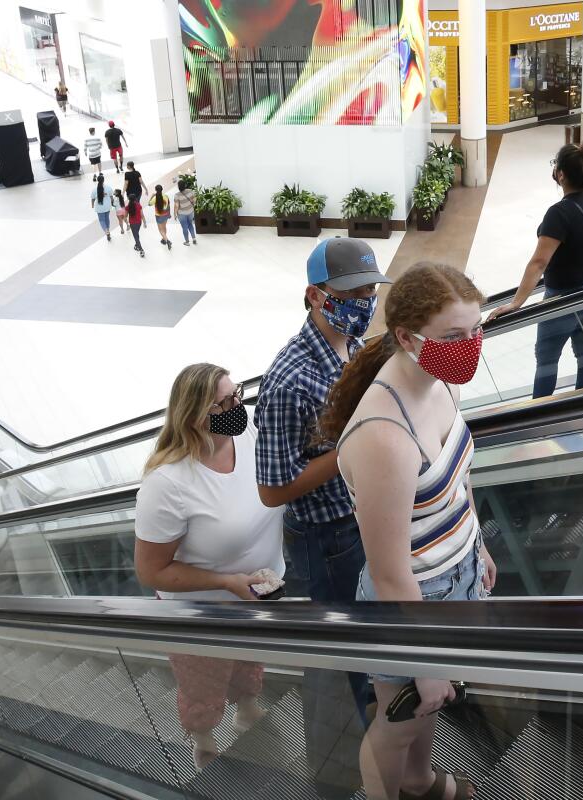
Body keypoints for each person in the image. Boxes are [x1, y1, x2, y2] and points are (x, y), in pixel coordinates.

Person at [319, 263, 495, 800]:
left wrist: (477, 545)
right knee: (398, 728)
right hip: (414, 600)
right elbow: (392, 573)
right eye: (453, 336)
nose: (471, 346)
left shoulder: (439, 381)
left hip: (456, 576)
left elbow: (458, 480)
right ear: (406, 338)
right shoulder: (383, 436)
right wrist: (427, 664)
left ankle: (420, 782)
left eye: (477, 330)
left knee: (423, 719)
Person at [255, 237, 390, 717]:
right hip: (325, 536)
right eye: (350, 295)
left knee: (374, 630)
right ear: (315, 295)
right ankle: (368, 741)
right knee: (354, 652)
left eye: (369, 292)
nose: (363, 304)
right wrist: (353, 445)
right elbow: (271, 490)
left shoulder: (353, 346)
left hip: (359, 516)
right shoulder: (288, 381)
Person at [135, 363, 285, 768]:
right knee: (203, 681)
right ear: (195, 416)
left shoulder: (248, 434)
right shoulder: (168, 484)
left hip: (256, 594)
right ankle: (202, 737)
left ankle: (247, 708)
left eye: (236, 394)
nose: (237, 405)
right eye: (223, 403)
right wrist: (226, 581)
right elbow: (151, 571)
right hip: (201, 612)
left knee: (251, 658)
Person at [486, 142, 583, 399]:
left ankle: (539, 410)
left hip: (562, 298)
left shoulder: (559, 213)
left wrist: (517, 303)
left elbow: (539, 262)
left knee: (546, 359)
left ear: (561, 174)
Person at [174, 179, 198, 246]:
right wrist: (192, 203)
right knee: (190, 224)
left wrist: (175, 214)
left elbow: (177, 206)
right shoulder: (190, 191)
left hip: (182, 214)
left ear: (178, 187)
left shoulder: (177, 195)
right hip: (190, 212)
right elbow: (195, 200)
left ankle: (187, 242)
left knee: (184, 227)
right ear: (185, 185)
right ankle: (194, 239)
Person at [91, 175, 113, 241]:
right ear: (104, 180)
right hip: (107, 206)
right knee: (107, 219)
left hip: (99, 207)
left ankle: (106, 231)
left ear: (97, 180)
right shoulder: (108, 188)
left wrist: (92, 205)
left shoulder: (95, 189)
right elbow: (111, 197)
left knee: (101, 220)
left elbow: (92, 198)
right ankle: (108, 230)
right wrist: (112, 203)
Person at [151, 185, 173, 250]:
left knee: (160, 230)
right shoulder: (166, 196)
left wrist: (152, 196)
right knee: (164, 227)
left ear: (155, 190)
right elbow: (168, 205)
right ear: (162, 189)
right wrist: (169, 214)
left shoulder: (155, 198)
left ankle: (167, 241)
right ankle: (164, 239)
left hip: (159, 216)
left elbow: (149, 204)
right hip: (166, 214)